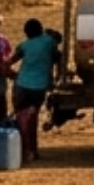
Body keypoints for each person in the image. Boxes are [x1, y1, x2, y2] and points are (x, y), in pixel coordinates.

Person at [12, 17, 60, 161]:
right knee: (32, 120)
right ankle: (33, 151)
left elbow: (8, 62)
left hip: (22, 85)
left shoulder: (24, 45)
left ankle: (23, 151)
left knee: (22, 120)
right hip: (39, 87)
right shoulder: (49, 41)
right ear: (41, 29)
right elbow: (58, 50)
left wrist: (14, 75)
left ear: (26, 33)